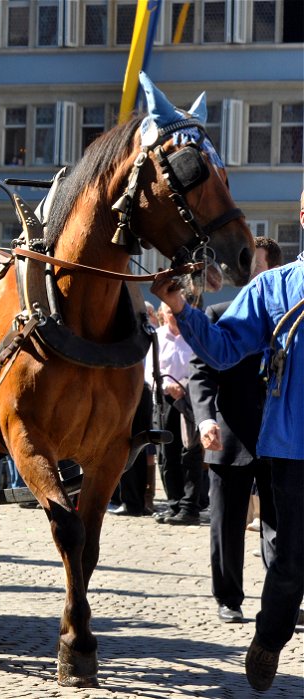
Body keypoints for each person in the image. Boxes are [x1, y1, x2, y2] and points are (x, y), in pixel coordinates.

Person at [151, 218, 303, 692]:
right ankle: (269, 637)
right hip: (294, 447)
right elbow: (222, 348)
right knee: (294, 559)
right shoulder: (277, 287)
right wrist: (179, 305)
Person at [189, 237, 282, 625]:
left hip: (280, 436)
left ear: (273, 271)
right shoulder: (220, 314)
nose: (250, 275)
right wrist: (205, 418)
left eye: (257, 267)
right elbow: (201, 372)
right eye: (247, 269)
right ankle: (228, 597)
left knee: (282, 526)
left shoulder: (290, 319)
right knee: (227, 523)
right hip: (231, 434)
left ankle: (281, 600)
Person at [147, 302, 203, 525]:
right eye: (170, 312)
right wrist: (164, 387)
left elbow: (204, 368)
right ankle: (174, 504)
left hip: (190, 400)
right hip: (165, 400)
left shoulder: (193, 335)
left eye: (177, 312)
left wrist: (187, 387)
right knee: (166, 455)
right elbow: (147, 372)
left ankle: (190, 507)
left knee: (190, 453)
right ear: (162, 314)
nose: (174, 317)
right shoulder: (157, 337)